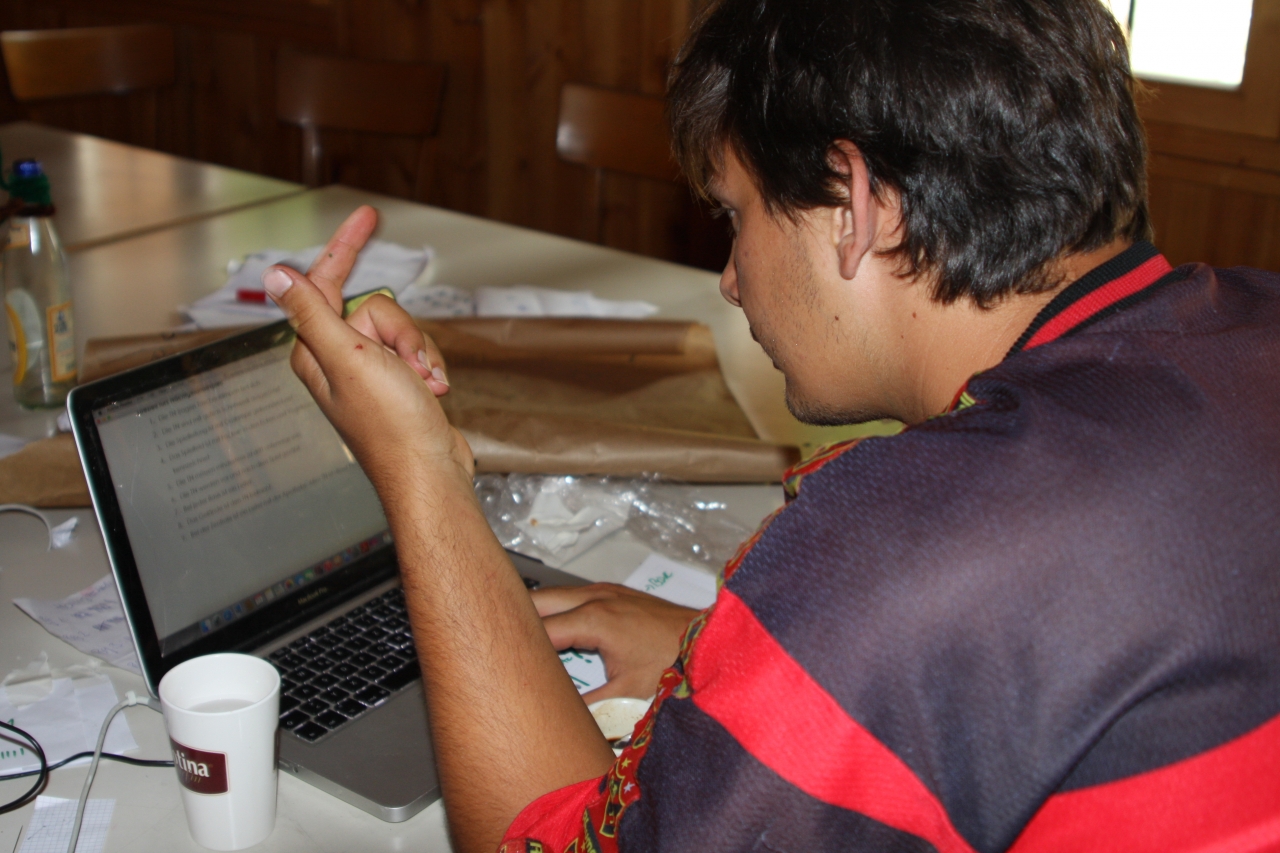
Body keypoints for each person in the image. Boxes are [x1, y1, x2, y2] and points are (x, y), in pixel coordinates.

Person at [260, 0, 1280, 849]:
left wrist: (421, 470)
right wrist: (752, 670)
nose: (730, 277)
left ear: (855, 203)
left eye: (733, 212)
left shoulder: (902, 553)